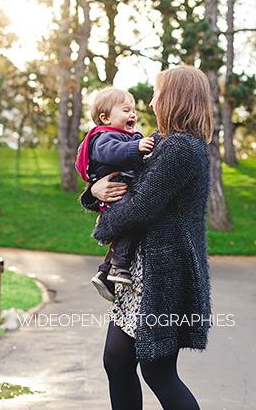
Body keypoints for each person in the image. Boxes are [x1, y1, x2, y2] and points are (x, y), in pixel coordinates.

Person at [80, 65, 212, 410]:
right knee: (117, 362)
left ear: (174, 98)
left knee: (158, 372)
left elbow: (141, 205)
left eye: (156, 95)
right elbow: (125, 181)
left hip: (163, 275)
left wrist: (103, 228)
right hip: (140, 273)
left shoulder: (182, 148)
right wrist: (94, 190)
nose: (151, 104)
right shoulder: (164, 142)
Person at [75, 87, 155, 302]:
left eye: (133, 111)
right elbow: (112, 153)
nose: (133, 115)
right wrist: (136, 147)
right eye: (126, 110)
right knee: (132, 217)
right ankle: (119, 267)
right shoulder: (104, 137)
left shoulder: (125, 136)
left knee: (130, 223)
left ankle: (105, 272)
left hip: (123, 188)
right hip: (117, 188)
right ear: (105, 118)